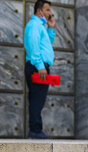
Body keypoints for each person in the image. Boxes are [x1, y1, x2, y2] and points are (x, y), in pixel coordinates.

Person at [24, 0, 56, 139]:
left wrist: (51, 28)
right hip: (38, 67)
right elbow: (33, 47)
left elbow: (47, 43)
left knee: (39, 98)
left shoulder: (41, 26)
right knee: (37, 98)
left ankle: (35, 129)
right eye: (47, 10)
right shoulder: (34, 25)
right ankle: (35, 130)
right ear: (39, 11)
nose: (49, 13)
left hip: (40, 66)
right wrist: (40, 66)